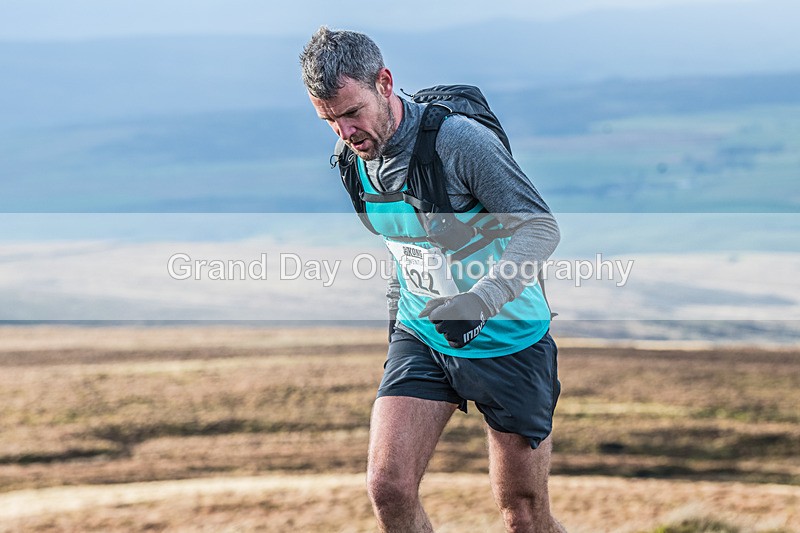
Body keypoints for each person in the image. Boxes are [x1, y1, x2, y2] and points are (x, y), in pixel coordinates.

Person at [300, 26, 565, 533]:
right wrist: (398, 330)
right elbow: (405, 248)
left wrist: (480, 302)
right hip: (423, 335)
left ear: (384, 82)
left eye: (352, 112)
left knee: (523, 515)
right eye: (329, 120)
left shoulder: (459, 143)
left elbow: (540, 226)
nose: (345, 132)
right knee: (388, 488)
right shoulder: (350, 161)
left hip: (507, 340)